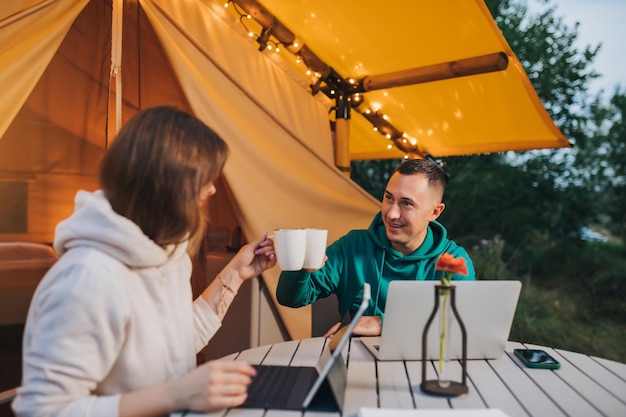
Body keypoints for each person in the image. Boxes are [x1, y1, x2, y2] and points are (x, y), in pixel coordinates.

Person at [13, 106, 276, 417]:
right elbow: (42, 411)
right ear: (168, 188)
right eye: (204, 179)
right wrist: (175, 395)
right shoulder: (88, 278)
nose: (212, 188)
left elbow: (175, 344)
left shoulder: (168, 256)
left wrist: (235, 274)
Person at [276, 158, 475, 337]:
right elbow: (290, 299)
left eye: (406, 203)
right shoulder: (353, 246)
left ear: (435, 212)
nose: (391, 214)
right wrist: (300, 267)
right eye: (389, 198)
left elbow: (460, 325)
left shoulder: (454, 260)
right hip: (354, 367)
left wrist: (381, 323)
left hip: (425, 370)